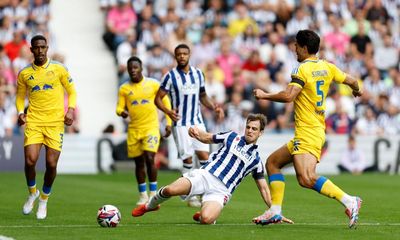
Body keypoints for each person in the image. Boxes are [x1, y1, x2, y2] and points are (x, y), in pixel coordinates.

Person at [252, 30, 363, 228]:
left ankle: (349, 200)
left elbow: (288, 96)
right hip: (312, 130)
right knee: (272, 163)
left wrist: (264, 95)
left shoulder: (301, 70)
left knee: (306, 178)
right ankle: (275, 211)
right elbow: (353, 81)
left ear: (304, 47)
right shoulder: (327, 67)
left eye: (296, 45)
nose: (294, 48)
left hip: (308, 132)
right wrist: (357, 91)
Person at [131, 113, 293, 225]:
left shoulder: (257, 161)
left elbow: (264, 188)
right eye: (248, 127)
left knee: (206, 220)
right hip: (205, 175)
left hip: (221, 191)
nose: (250, 131)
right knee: (170, 191)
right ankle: (149, 206)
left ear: (261, 133)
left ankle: (204, 214)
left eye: (254, 129)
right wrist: (195, 132)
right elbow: (207, 137)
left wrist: (274, 210)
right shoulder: (231, 136)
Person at [154, 43, 224, 207]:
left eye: (185, 54)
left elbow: (203, 96)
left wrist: (215, 107)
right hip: (180, 123)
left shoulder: (198, 74)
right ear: (175, 56)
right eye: (179, 54)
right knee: (187, 159)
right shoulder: (170, 76)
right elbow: (157, 98)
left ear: (189, 55)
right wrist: (168, 111)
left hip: (197, 121)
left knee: (205, 158)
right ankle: (189, 194)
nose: (182, 56)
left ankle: (206, 193)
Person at [16, 35, 77, 220]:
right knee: (30, 161)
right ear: (31, 50)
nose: (40, 51)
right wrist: (20, 112)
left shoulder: (59, 69)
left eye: (43, 47)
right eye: (37, 48)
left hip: (55, 123)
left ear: (47, 48)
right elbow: (20, 97)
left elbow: (72, 91)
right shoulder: (25, 73)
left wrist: (70, 110)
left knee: (51, 164)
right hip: (34, 121)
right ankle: (32, 192)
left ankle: (44, 199)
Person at [116, 56, 172, 205]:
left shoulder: (153, 84)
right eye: (130, 68)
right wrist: (122, 112)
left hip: (151, 128)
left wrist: (168, 122)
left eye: (135, 67)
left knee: (149, 158)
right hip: (134, 129)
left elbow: (165, 101)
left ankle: (154, 193)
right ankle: (143, 195)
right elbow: (119, 107)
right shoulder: (124, 88)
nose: (133, 70)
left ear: (141, 68)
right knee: (139, 163)